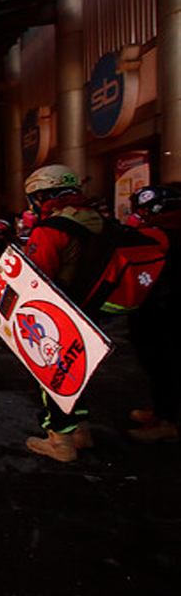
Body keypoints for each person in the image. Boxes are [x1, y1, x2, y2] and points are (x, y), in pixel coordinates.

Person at [20, 164, 104, 461]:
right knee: (79, 372)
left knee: (54, 375)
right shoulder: (99, 218)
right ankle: (81, 431)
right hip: (93, 312)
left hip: (60, 313)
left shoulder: (51, 229)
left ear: (41, 195)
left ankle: (60, 441)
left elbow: (34, 275)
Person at [125, 184, 181, 443]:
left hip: (162, 307)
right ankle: (161, 411)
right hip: (166, 306)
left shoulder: (160, 232)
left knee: (162, 362)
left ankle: (167, 420)